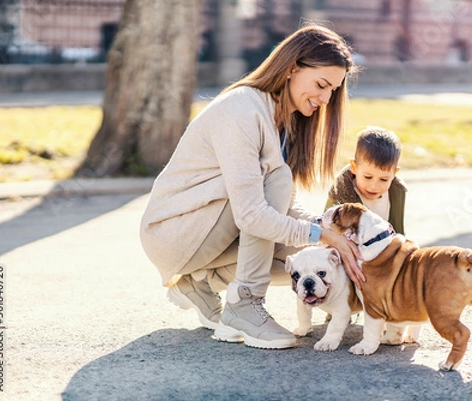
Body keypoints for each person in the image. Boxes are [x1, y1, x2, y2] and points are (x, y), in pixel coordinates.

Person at [140, 24, 362, 350]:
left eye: (333, 91)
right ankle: (244, 303)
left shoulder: (285, 122)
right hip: (174, 232)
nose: (326, 98)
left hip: (210, 232)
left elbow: (285, 206)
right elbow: (252, 215)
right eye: (321, 84)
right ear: (291, 69)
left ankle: (199, 282)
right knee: (281, 192)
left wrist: (329, 232)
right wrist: (322, 235)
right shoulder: (242, 109)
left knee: (308, 260)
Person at [324, 126, 408, 234]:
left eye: (384, 179)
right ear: (354, 167)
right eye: (367, 177)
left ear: (394, 174)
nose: (374, 186)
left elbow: (398, 233)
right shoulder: (340, 196)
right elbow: (326, 234)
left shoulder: (397, 192)